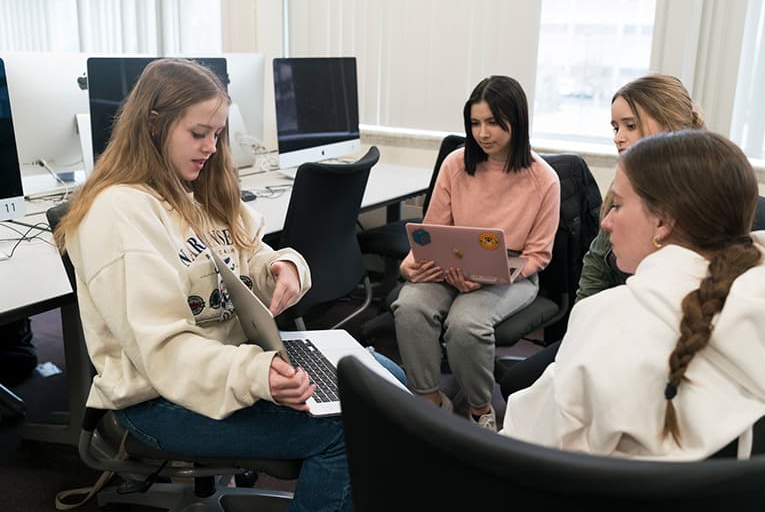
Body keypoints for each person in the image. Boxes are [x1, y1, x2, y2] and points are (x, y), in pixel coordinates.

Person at [52, 57, 396, 511]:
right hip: (158, 398)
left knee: (387, 379)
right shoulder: (118, 214)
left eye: (217, 133)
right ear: (153, 125)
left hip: (231, 363)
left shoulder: (197, 189)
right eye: (199, 134)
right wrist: (257, 376)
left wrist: (284, 265)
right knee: (351, 429)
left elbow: (251, 252)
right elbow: (167, 355)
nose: (212, 147)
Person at [501, 130, 765, 474]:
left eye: (618, 204)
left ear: (662, 221)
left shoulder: (607, 321)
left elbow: (529, 452)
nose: (606, 221)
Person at [500, 74, 705, 399]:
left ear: (671, 124)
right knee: (517, 386)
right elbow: (595, 265)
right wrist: (583, 332)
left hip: (651, 343)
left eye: (630, 126)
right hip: (605, 327)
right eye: (615, 128)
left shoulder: (698, 199)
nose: (619, 138)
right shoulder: (626, 181)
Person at [391, 75, 560, 432]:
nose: (483, 133)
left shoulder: (544, 179)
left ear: (517, 121)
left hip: (513, 272)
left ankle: (481, 411)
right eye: (475, 123)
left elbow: (538, 255)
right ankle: (430, 400)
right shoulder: (456, 164)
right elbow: (433, 229)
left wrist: (489, 274)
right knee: (410, 306)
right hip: (451, 264)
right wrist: (416, 265)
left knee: (466, 325)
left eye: (494, 123)